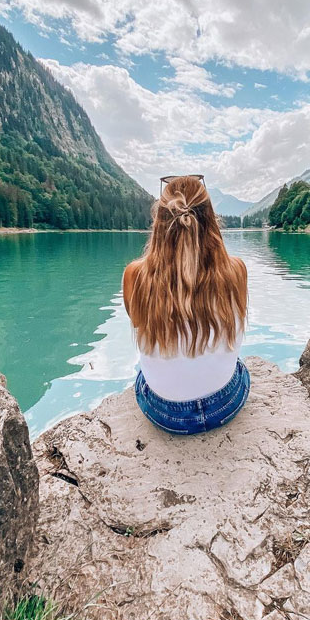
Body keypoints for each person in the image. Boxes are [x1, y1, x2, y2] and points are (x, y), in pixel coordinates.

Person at [122, 174, 250, 435]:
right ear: (211, 219)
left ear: (159, 221)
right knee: (240, 366)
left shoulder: (135, 275)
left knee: (142, 375)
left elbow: (137, 322)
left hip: (164, 413)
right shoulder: (237, 270)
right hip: (225, 405)